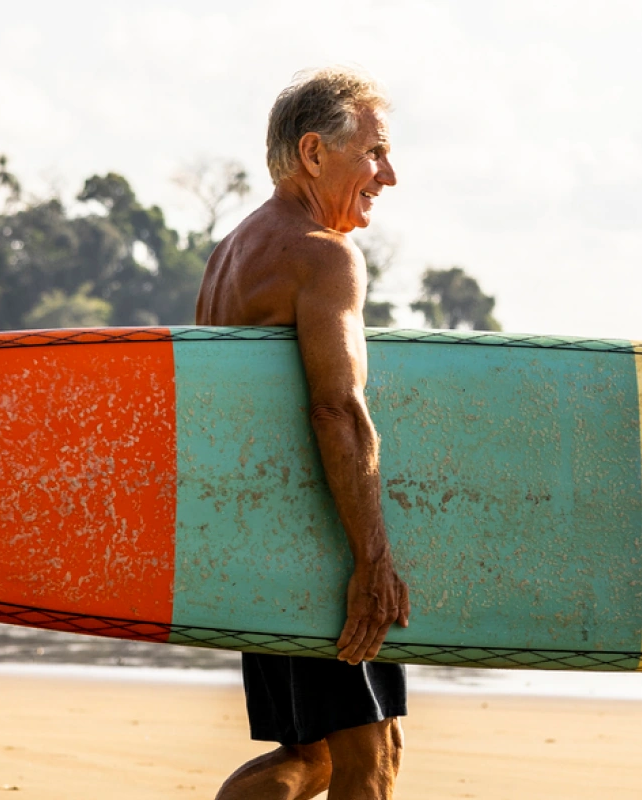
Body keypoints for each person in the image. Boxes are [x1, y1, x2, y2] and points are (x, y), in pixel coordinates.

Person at [199, 67, 412, 800]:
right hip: (318, 547)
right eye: (375, 153)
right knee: (370, 757)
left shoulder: (234, 250)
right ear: (316, 154)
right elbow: (338, 410)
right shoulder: (324, 254)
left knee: (309, 758)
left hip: (260, 543)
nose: (389, 174)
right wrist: (372, 560)